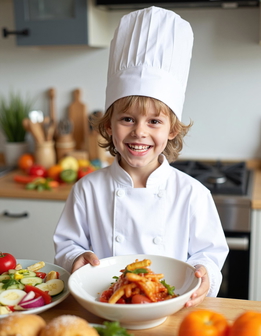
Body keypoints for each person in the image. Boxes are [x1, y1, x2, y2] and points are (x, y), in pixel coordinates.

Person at [53, 6, 228, 307]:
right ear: (109, 125)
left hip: (170, 307)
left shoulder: (193, 194)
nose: (140, 132)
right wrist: (76, 257)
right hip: (104, 307)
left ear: (172, 130)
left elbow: (209, 255)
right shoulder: (87, 190)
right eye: (128, 119)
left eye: (154, 122)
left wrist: (206, 273)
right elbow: (68, 245)